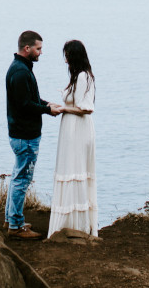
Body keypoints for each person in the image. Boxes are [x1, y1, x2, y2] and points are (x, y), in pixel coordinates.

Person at [5, 30, 61, 239]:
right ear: (27, 48)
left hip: (19, 133)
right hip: (25, 135)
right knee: (22, 179)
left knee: (17, 177)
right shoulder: (20, 72)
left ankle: (11, 218)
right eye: (38, 49)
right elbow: (25, 105)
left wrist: (47, 104)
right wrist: (48, 110)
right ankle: (16, 226)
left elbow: (31, 98)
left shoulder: (21, 68)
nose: (41, 53)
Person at [47, 39, 97, 239]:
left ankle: (75, 223)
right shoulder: (79, 77)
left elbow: (85, 108)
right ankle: (71, 220)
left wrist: (62, 108)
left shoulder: (84, 76)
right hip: (71, 128)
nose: (66, 61)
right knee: (71, 168)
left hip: (77, 129)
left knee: (74, 168)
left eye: (67, 56)